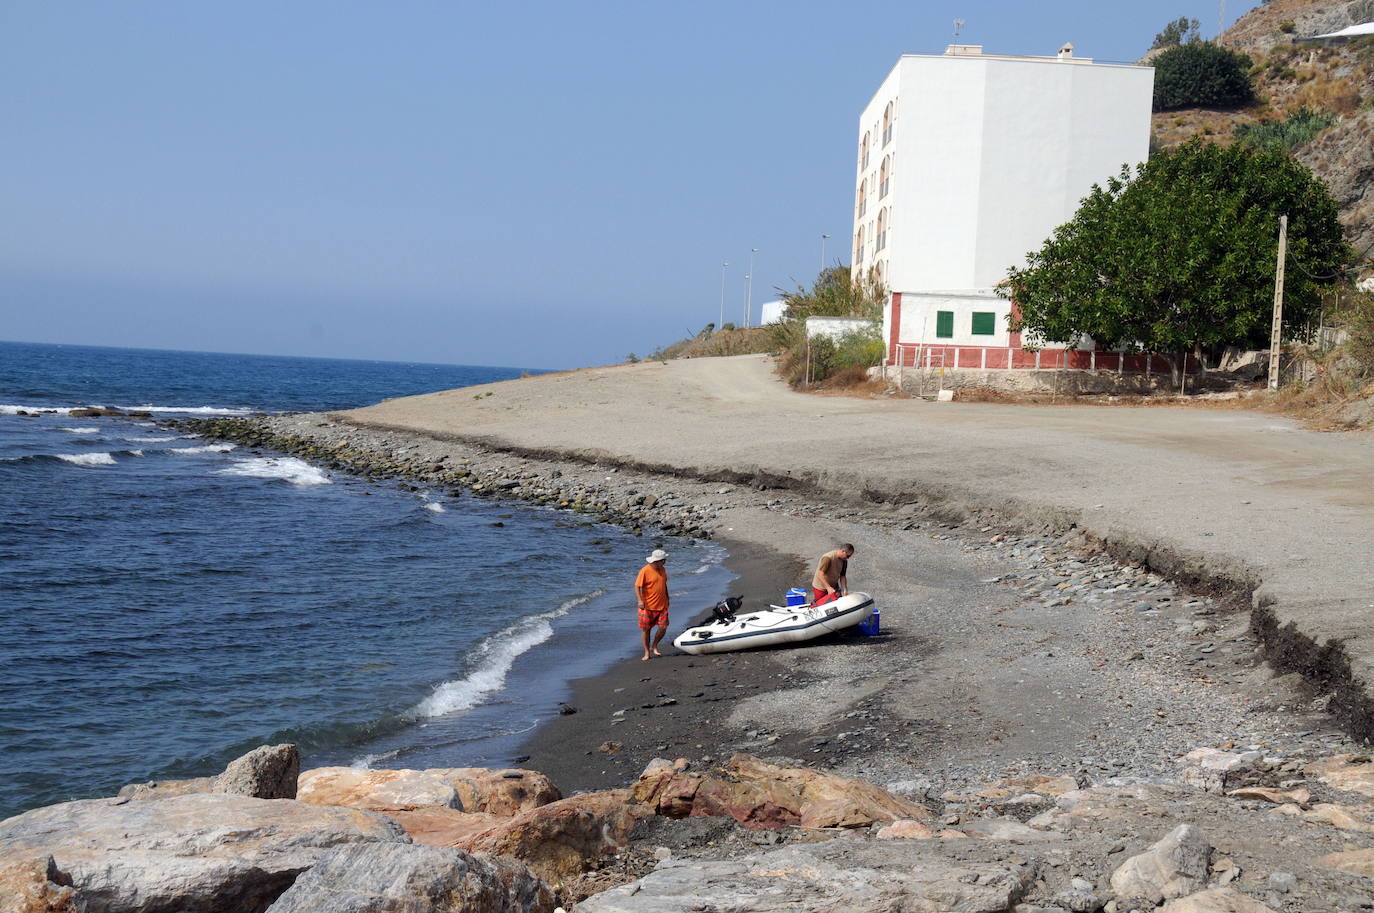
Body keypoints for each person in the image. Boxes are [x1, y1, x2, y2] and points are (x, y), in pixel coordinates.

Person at [635, 548, 670, 661]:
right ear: (656, 561)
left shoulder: (663, 570)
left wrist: (667, 597)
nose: (664, 562)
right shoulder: (645, 570)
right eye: (663, 561)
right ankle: (646, 652)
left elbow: (664, 585)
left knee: (663, 627)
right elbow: (637, 586)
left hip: (662, 604)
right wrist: (640, 600)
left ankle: (654, 645)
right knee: (646, 629)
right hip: (647, 606)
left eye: (664, 561)